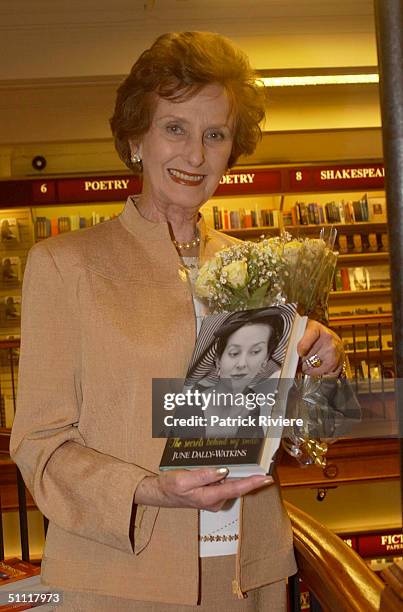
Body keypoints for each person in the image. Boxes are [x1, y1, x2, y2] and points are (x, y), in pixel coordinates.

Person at [10, 31, 344, 610]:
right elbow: (40, 446)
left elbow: (307, 431)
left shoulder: (256, 266)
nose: (195, 155)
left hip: (250, 573)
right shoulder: (66, 265)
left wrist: (320, 369)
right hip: (121, 576)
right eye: (175, 128)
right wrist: (149, 489)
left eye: (215, 134)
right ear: (136, 137)